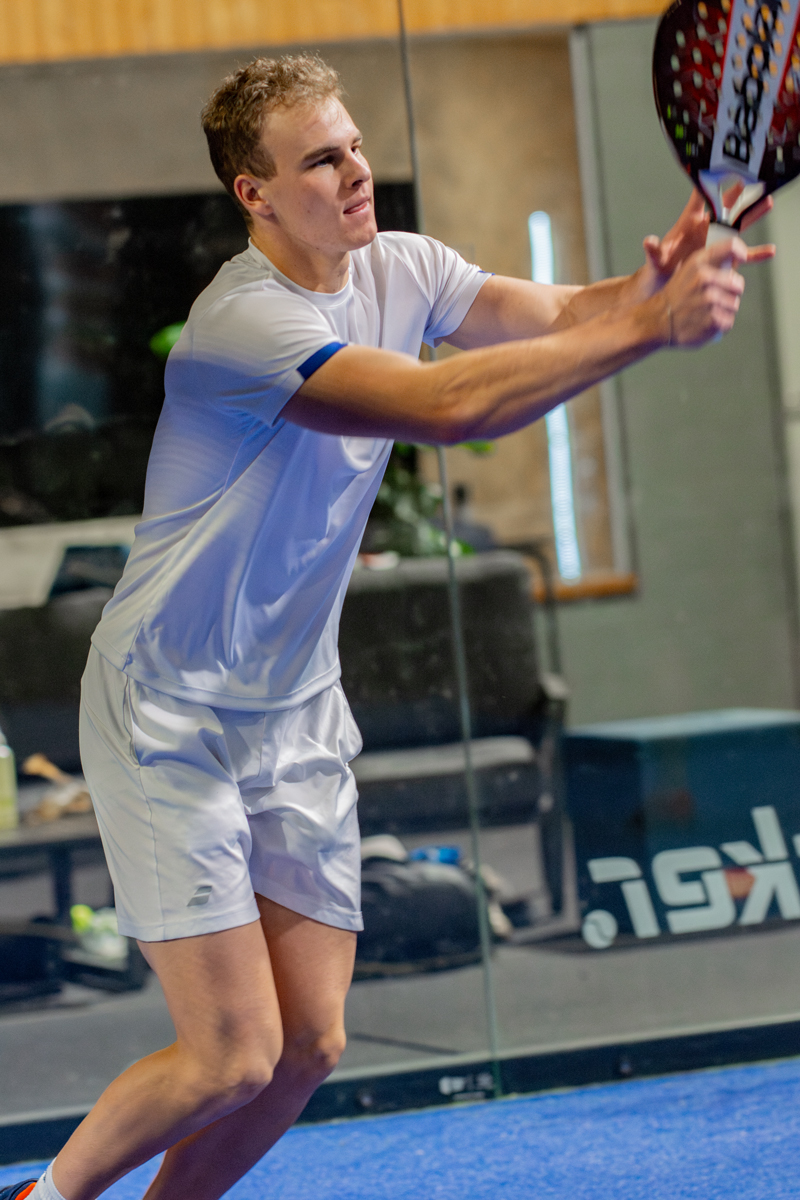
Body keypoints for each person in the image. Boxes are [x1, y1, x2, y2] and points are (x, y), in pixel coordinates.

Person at [3, 51, 773, 1200]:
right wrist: (650, 328)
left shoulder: (401, 266)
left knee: (307, 1048)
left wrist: (648, 288)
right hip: (170, 709)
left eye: (355, 145)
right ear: (253, 193)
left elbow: (554, 311)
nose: (355, 172)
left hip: (294, 706)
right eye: (321, 159)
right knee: (229, 1055)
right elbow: (451, 407)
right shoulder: (239, 328)